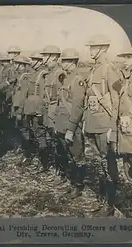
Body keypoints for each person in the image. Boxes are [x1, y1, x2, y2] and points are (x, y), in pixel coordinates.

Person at [65, 34, 123, 216]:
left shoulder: (109, 69)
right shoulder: (93, 70)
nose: (90, 50)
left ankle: (110, 206)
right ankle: (104, 200)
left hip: (104, 126)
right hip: (93, 125)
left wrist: (113, 129)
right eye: (90, 47)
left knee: (108, 164)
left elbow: (117, 101)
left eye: (93, 47)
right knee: (100, 164)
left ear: (103, 48)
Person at [53, 48, 86, 198]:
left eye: (66, 60)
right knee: (67, 154)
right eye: (63, 60)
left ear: (73, 62)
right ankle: (71, 181)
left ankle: (78, 186)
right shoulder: (66, 78)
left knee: (77, 156)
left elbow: (78, 107)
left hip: (72, 125)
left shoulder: (77, 79)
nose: (63, 63)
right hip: (62, 123)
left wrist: (71, 129)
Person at [17, 49, 49, 168]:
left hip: (37, 110)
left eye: (36, 60)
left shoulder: (43, 75)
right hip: (29, 108)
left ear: (40, 62)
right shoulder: (31, 74)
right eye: (33, 60)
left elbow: (43, 94)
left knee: (40, 133)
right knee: (30, 132)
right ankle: (29, 156)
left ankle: (44, 163)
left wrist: (40, 111)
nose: (32, 62)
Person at [116, 45, 132, 187]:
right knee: (127, 158)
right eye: (124, 57)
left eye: (129, 57)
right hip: (126, 125)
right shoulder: (125, 76)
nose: (125, 61)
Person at [10, 54, 34, 154]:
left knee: (24, 128)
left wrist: (20, 111)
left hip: (22, 107)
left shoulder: (25, 77)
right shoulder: (19, 76)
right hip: (16, 105)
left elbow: (23, 95)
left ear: (23, 66)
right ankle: (22, 147)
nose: (16, 66)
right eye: (15, 64)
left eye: (18, 64)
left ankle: (28, 150)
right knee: (18, 127)